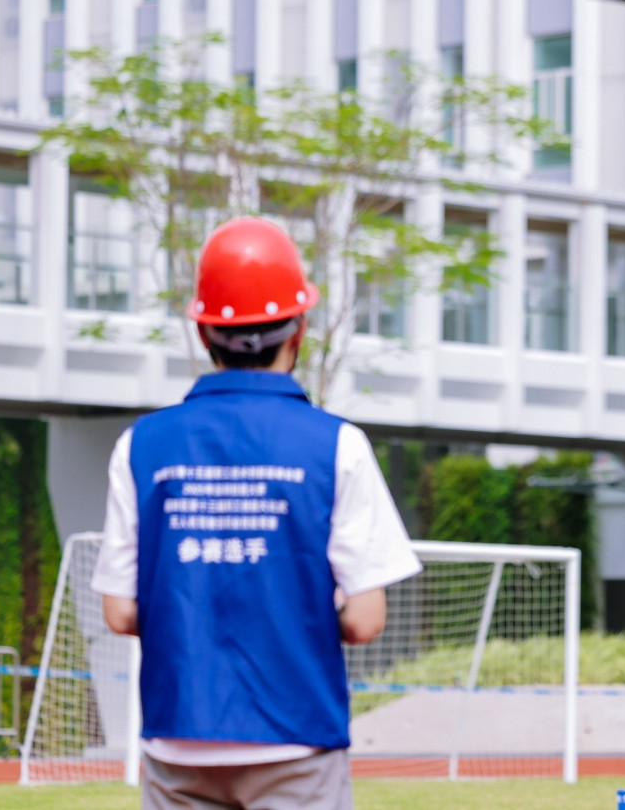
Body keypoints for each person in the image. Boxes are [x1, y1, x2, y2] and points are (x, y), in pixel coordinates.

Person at [91, 216, 420, 810]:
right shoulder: (337, 445)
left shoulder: (141, 446)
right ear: (300, 329)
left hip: (178, 735)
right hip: (296, 735)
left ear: (203, 332)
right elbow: (366, 621)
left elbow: (119, 611)